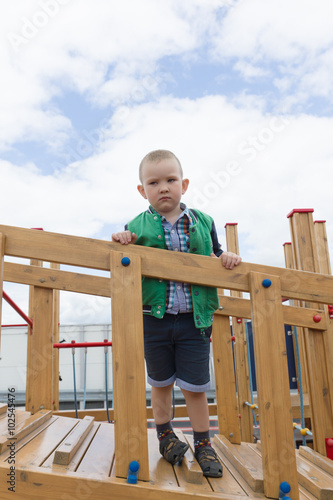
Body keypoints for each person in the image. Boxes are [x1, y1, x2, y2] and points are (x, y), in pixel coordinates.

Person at [112, 149, 241, 478]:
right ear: (143, 191)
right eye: (154, 182)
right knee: (160, 382)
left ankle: (202, 443)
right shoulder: (137, 226)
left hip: (194, 319)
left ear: (183, 184)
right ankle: (166, 436)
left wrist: (226, 258)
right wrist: (122, 239)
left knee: (195, 387)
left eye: (170, 180)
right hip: (153, 319)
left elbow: (216, 253)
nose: (163, 187)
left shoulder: (202, 221)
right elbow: (122, 253)